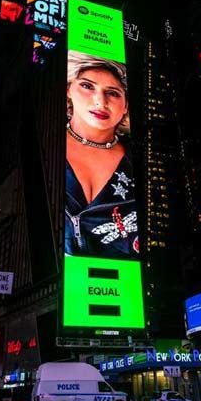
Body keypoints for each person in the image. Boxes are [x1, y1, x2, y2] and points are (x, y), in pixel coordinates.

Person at [65, 51, 139, 258]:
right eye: (87, 86)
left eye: (113, 93)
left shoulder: (140, 159)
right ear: (68, 89)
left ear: (125, 105)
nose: (100, 101)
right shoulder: (44, 139)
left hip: (122, 284)